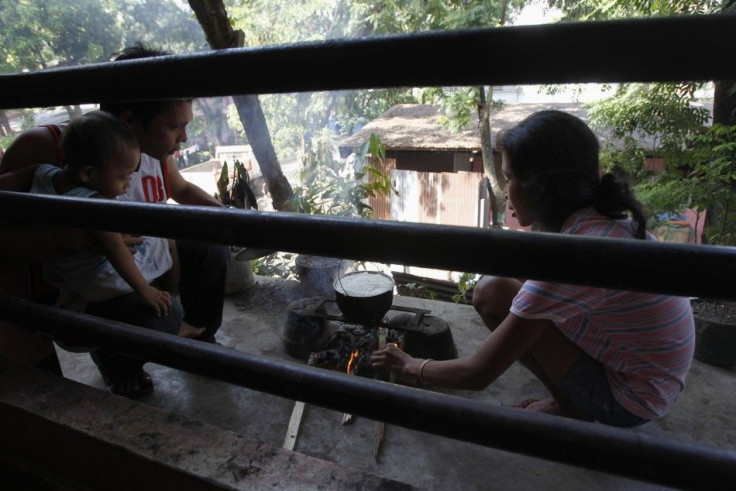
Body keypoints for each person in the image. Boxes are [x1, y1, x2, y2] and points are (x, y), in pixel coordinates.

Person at [371, 110, 695, 428]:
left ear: (539, 187)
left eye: (509, 178)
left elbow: (477, 374)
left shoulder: (577, 255)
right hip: (653, 382)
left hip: (628, 402)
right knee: (502, 290)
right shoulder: (601, 221)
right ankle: (571, 400)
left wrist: (412, 365)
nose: (504, 190)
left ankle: (572, 406)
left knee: (492, 294)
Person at [0, 43, 230, 396]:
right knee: (162, 316)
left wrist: (235, 220)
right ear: (129, 122)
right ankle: (116, 360)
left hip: (135, 263)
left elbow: (182, 190)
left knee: (210, 242)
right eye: (173, 126)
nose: (182, 138)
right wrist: (83, 236)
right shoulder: (49, 149)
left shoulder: (154, 151)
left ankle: (200, 340)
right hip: (82, 288)